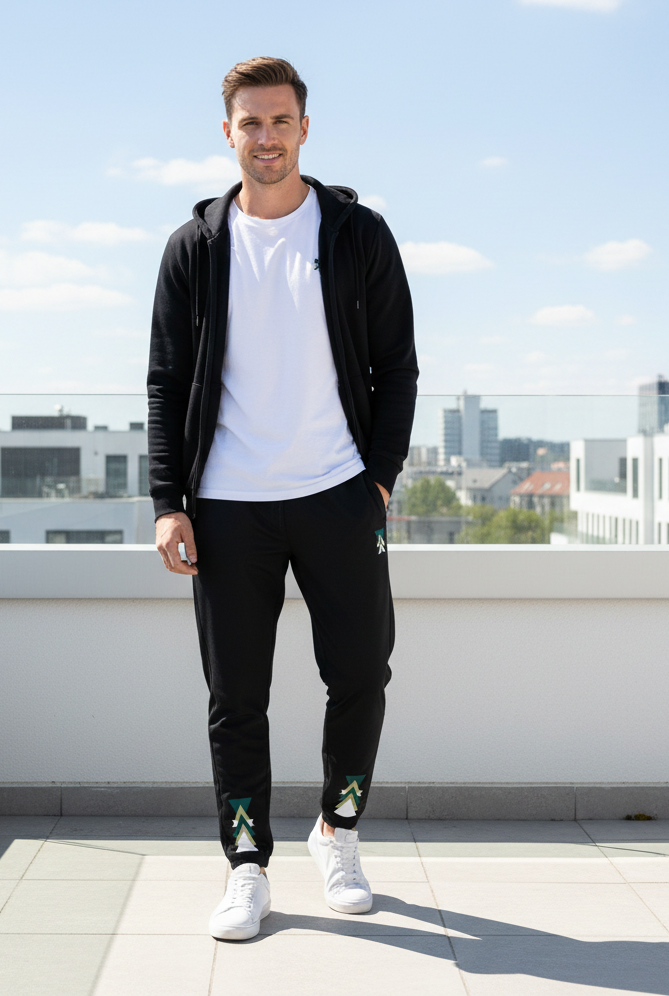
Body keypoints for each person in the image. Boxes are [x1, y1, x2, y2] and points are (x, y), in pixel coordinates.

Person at [147, 56, 418, 941]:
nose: (266, 138)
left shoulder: (356, 234)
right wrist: (168, 499)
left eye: (280, 121)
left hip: (339, 494)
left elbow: (397, 367)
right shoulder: (195, 247)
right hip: (227, 505)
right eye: (249, 123)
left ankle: (339, 830)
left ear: (306, 128)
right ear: (227, 133)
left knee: (360, 674)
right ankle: (247, 864)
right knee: (236, 698)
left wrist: (377, 481)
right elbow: (166, 380)